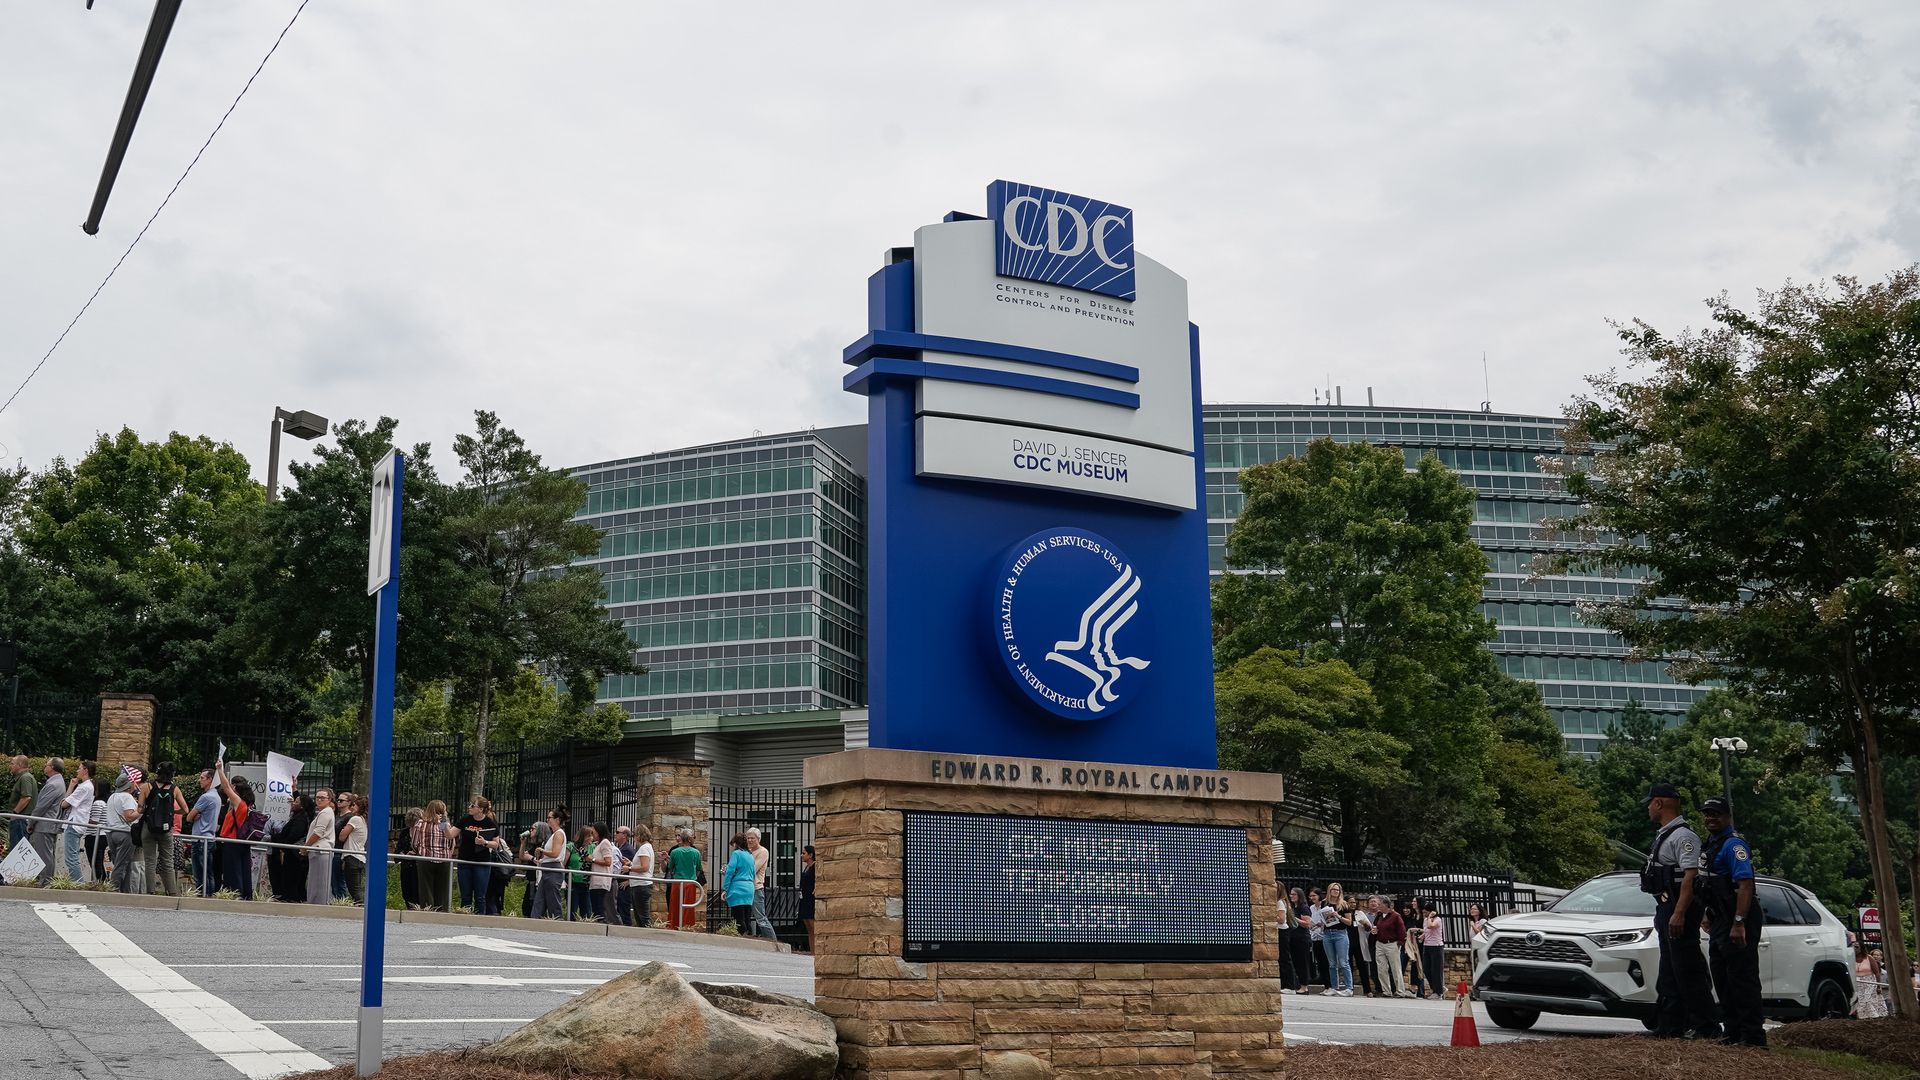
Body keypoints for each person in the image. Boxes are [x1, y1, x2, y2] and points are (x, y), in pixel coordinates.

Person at [1642, 782, 1718, 1039]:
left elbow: (1690, 877)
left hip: (1678, 909)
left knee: (1688, 970)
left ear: (1659, 803)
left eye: (1650, 803)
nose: (1648, 809)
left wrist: (1680, 912)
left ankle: (1706, 1027)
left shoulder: (1683, 836)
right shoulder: (1666, 834)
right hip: (1666, 907)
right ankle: (1670, 1027)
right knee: (1670, 971)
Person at [1698, 796, 1763, 1046]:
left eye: (1716, 814)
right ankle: (1733, 1031)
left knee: (1742, 977)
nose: (1710, 818)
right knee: (1721, 975)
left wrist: (1739, 922)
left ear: (1727, 817)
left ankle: (1753, 1036)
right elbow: (1707, 884)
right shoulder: (1712, 843)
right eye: (1707, 814)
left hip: (1738, 915)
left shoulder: (1734, 845)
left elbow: (1745, 885)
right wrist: (1706, 913)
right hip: (1719, 917)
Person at [452, 796, 505, 915]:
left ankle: (479, 918)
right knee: (465, 895)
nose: (469, 807)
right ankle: (465, 916)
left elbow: (496, 844)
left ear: (480, 809)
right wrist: (444, 825)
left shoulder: (490, 823)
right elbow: (450, 834)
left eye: (472, 806)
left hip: (482, 862)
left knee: (480, 896)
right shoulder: (465, 820)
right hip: (465, 861)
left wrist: (485, 843)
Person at [139, 763, 186, 896]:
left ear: (157, 772)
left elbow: (140, 809)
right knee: (167, 860)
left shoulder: (146, 787)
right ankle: (171, 892)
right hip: (166, 830)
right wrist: (173, 810)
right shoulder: (175, 789)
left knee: (149, 860)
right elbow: (185, 810)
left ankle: (150, 891)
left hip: (148, 828)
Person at [214, 761, 258, 899]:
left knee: (232, 870)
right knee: (243, 869)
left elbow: (225, 787)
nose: (231, 791)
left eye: (234, 790)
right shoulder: (247, 805)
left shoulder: (239, 803)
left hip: (232, 841)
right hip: (241, 841)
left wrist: (220, 770)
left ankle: (235, 893)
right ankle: (245, 895)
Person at [411, 799, 455, 913]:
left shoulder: (421, 823)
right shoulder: (446, 824)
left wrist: (419, 851)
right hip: (443, 859)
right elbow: (451, 842)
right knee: (442, 888)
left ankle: (427, 910)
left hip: (426, 858)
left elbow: (415, 843)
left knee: (426, 887)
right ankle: (441, 910)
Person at [103, 768, 143, 893]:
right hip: (124, 833)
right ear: (129, 785)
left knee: (121, 863)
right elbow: (129, 816)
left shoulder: (112, 797)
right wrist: (141, 810)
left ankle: (125, 890)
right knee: (122, 864)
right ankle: (114, 889)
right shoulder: (127, 797)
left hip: (111, 833)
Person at [29, 757, 67, 885]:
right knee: (47, 854)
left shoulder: (53, 784)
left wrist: (31, 822)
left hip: (45, 824)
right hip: (49, 824)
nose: (45, 767)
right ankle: (46, 880)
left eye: (47, 765)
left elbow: (41, 806)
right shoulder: (58, 782)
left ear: (52, 768)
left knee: (44, 854)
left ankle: (45, 881)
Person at [185, 768, 221, 896]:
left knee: (200, 873)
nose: (199, 780)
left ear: (210, 779)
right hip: (210, 838)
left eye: (202, 778)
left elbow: (189, 817)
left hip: (200, 839)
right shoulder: (216, 796)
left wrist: (193, 816)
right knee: (208, 872)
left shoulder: (206, 797)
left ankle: (202, 895)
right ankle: (209, 896)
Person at [270, 793, 313, 902]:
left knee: (292, 876)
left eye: (296, 802)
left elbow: (294, 835)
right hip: (292, 851)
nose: (293, 803)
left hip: (293, 853)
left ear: (302, 805)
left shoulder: (301, 819)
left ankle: (292, 897)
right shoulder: (300, 816)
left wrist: (282, 843)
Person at [59, 761, 97, 883]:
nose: (77, 771)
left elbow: (64, 804)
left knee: (71, 858)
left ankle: (78, 884)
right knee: (72, 857)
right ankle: (78, 883)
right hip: (77, 823)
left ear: (85, 770)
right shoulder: (87, 786)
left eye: (79, 768)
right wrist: (71, 786)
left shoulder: (85, 787)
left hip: (74, 823)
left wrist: (70, 788)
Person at [531, 807, 570, 920]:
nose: (547, 820)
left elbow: (555, 853)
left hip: (553, 869)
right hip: (548, 868)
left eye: (549, 818)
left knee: (553, 900)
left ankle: (557, 920)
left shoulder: (558, 834)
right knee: (540, 899)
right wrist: (542, 859)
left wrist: (542, 850)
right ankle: (535, 918)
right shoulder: (555, 834)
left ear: (557, 819)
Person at [1370, 896, 1412, 998]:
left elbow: (1402, 931)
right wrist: (1374, 931)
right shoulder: (1379, 915)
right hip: (1380, 943)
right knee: (1381, 968)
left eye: (1380, 904)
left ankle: (1400, 991)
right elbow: (1375, 926)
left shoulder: (1396, 916)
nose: (1378, 905)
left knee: (1395, 968)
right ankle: (1386, 990)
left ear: (1386, 904)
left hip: (1392, 943)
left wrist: (1399, 944)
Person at [1318, 883, 1354, 996]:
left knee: (1343, 962)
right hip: (1328, 933)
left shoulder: (1344, 905)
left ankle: (1349, 988)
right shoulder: (1324, 903)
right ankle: (1333, 987)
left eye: (1337, 890)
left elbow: (1349, 922)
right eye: (1333, 889)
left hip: (1340, 934)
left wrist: (1338, 916)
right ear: (1329, 890)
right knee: (1332, 963)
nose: (1335, 892)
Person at [743, 827, 779, 940]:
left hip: (756, 888)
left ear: (758, 839)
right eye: (748, 838)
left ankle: (773, 940)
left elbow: (753, 869)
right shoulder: (746, 851)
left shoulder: (763, 852)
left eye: (752, 838)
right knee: (744, 917)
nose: (749, 840)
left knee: (760, 918)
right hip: (745, 887)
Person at [666, 827, 702, 930]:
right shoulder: (696, 852)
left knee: (674, 906)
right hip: (690, 883)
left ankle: (674, 926)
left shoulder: (675, 852)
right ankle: (687, 926)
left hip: (677, 883)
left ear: (682, 838)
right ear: (691, 838)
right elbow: (699, 869)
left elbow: (670, 868)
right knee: (689, 907)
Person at [722, 833, 758, 936]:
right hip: (749, 888)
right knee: (747, 918)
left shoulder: (737, 854)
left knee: (738, 918)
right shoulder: (750, 855)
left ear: (736, 844)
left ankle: (743, 936)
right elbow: (753, 872)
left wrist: (725, 888)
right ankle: (750, 936)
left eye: (733, 844)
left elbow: (730, 872)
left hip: (737, 888)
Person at [337, 793, 368, 905]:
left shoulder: (355, 819)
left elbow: (341, 836)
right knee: (357, 886)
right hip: (359, 857)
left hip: (351, 857)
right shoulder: (363, 820)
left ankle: (360, 906)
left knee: (354, 889)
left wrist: (343, 830)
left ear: (360, 807)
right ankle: (360, 904)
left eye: (354, 805)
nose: (352, 807)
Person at [586, 822, 619, 924]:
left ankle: (602, 923)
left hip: (601, 881)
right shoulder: (599, 844)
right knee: (596, 905)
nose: (593, 835)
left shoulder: (605, 843)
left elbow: (608, 862)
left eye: (594, 832)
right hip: (596, 880)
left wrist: (593, 859)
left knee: (599, 906)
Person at [1285, 887, 1313, 993]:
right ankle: (1298, 984)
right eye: (1291, 894)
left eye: (1294, 894)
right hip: (1294, 937)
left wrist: (1294, 918)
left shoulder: (1304, 908)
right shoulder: (1294, 907)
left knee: (1303, 963)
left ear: (1299, 896)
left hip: (1302, 938)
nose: (1291, 896)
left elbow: (1307, 924)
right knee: (1296, 962)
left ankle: (1304, 986)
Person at [1350, 891, 1378, 996]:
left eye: (1353, 902)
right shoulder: (1344, 913)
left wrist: (1365, 924)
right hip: (1347, 943)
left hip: (1359, 943)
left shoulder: (1360, 913)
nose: (1352, 904)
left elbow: (1369, 928)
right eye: (1350, 902)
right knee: (1348, 966)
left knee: (1362, 966)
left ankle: (1367, 990)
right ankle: (1350, 988)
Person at [627, 825, 655, 928]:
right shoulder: (647, 847)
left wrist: (629, 868)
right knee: (640, 914)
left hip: (641, 884)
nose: (634, 838)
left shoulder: (644, 848)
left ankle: (648, 935)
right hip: (640, 884)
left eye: (635, 835)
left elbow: (644, 867)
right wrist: (631, 864)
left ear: (639, 835)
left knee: (642, 916)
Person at [396, 807, 424, 909]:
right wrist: (402, 855)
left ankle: (418, 908)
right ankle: (410, 907)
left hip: (418, 864)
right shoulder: (405, 832)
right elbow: (399, 847)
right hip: (406, 864)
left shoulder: (423, 831)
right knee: (406, 890)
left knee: (417, 889)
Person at [8, 755, 35, 857]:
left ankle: (15, 873)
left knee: (17, 851)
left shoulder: (25, 778)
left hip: (20, 820)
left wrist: (15, 813)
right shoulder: (24, 777)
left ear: (20, 765)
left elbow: (26, 797)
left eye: (12, 763)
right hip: (20, 819)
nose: (11, 766)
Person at [1854, 940, 1887, 1019]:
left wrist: (1878, 986)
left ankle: (1874, 1016)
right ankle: (1864, 1018)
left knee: (1867, 999)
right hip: (1858, 982)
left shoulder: (1869, 958)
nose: (1854, 949)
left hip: (1869, 981)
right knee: (1860, 1001)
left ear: (1861, 948)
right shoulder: (1851, 958)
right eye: (1853, 947)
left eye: (1856, 947)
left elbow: (1877, 973)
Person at [568, 826, 595, 921]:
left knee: (587, 911)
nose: (590, 838)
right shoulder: (571, 846)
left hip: (586, 883)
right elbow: (564, 863)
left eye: (592, 835)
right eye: (588, 835)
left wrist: (592, 859)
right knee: (572, 910)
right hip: (573, 882)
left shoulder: (593, 847)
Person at [1420, 903, 1447, 999]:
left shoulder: (1437, 920)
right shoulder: (1425, 920)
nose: (1424, 913)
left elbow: (1431, 926)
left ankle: (1438, 992)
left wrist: (1430, 917)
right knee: (1426, 969)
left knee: (1436, 969)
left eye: (1426, 912)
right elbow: (1426, 930)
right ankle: (1438, 987)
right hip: (1427, 945)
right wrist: (1422, 936)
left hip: (1436, 946)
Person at [798, 844, 816, 953]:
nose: (801, 855)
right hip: (803, 897)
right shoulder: (806, 867)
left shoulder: (815, 866)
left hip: (811, 898)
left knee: (813, 926)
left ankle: (816, 951)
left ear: (810, 855)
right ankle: (812, 951)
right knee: (808, 927)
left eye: (804, 853)